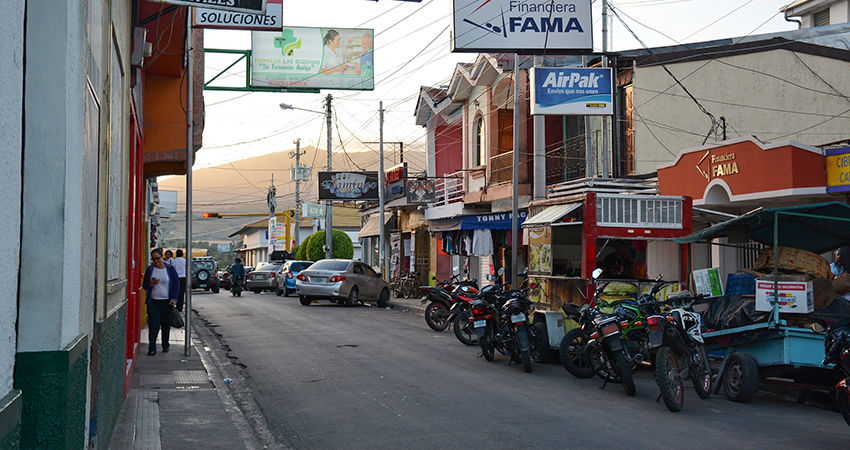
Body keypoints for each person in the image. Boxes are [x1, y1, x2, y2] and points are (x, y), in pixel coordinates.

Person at [142, 248, 180, 355]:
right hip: (153, 302)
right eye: (153, 259)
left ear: (162, 257)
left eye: (157, 258)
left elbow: (176, 284)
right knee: (154, 325)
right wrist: (151, 284)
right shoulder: (150, 270)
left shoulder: (170, 269)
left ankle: (165, 345)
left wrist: (174, 298)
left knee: (165, 325)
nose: (156, 261)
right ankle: (152, 347)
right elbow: (144, 286)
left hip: (167, 302)